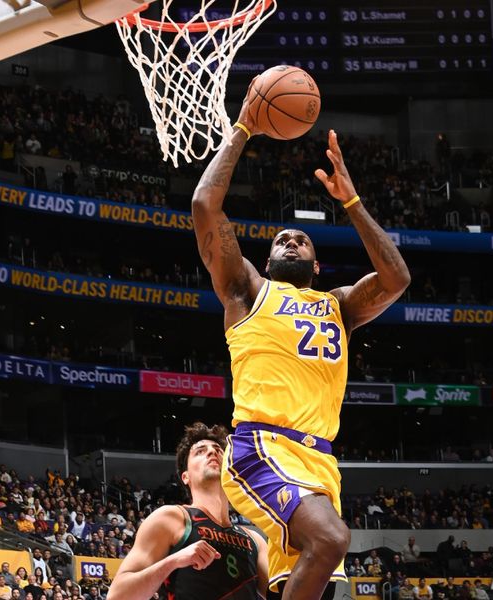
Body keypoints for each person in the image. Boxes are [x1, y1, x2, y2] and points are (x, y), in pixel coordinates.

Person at [192, 84, 410, 600]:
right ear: (266, 263)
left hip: (320, 462)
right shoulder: (247, 290)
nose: (290, 239)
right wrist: (244, 125)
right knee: (332, 538)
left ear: (317, 265)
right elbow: (205, 204)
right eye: (280, 241)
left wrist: (351, 201)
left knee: (310, 584)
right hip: (261, 447)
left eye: (301, 240)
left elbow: (396, 278)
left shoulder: (340, 305)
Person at [108, 423, 268, 600]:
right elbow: (117, 596)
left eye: (218, 449)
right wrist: (173, 561)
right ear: (186, 477)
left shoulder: (255, 540)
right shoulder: (171, 518)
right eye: (200, 451)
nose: (212, 452)